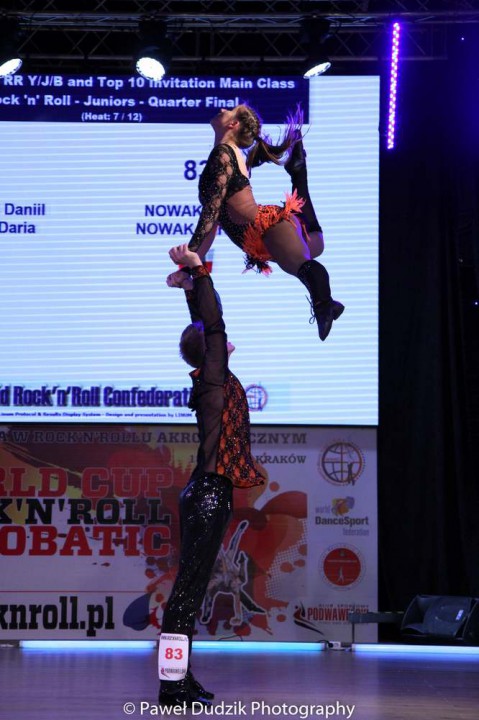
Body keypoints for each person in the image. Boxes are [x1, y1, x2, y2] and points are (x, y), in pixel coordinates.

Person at [158, 243, 266, 708]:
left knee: (192, 590)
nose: (222, 337)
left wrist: (189, 288)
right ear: (209, 350)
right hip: (207, 495)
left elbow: (205, 326)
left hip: (206, 493)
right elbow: (213, 323)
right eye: (214, 339)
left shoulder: (210, 377)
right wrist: (198, 271)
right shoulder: (213, 376)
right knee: (187, 593)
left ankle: (180, 678)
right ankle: (171, 684)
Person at [187, 104, 344, 341]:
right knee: (315, 243)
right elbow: (214, 218)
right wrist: (191, 264)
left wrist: (189, 253)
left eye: (229, 110)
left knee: (301, 264)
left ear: (233, 124)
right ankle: (298, 171)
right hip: (258, 239)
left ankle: (325, 304)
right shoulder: (227, 153)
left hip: (265, 228)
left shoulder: (224, 153)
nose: (222, 108)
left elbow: (211, 211)